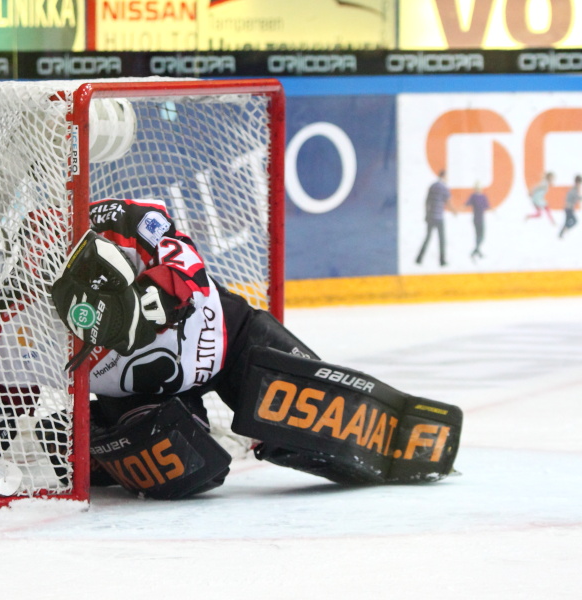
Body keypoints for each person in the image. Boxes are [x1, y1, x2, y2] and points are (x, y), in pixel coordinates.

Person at [45, 197, 463, 499]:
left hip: (234, 341)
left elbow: (178, 250)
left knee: (320, 420)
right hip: (145, 393)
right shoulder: (30, 318)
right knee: (191, 473)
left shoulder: (115, 221)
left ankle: (408, 443)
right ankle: (83, 434)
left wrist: (161, 295)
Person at [415, 170, 453, 267]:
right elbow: (448, 201)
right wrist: (455, 211)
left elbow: (427, 201)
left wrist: (427, 214)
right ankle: (442, 261)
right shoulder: (444, 188)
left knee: (427, 238)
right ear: (443, 176)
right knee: (441, 239)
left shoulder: (432, 186)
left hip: (431, 216)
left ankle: (419, 259)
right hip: (439, 217)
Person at [465, 183, 490, 260]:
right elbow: (467, 203)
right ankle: (476, 250)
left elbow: (487, 206)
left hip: (480, 218)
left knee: (481, 236)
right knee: (478, 235)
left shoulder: (482, 196)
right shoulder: (474, 196)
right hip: (477, 218)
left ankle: (476, 250)